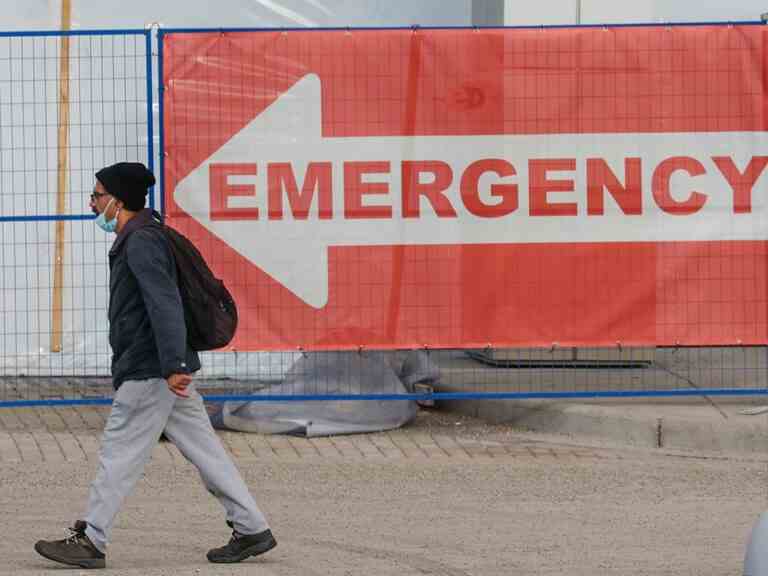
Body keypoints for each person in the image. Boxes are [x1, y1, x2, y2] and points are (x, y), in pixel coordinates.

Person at [34, 162, 275, 568]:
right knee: (205, 449)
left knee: (119, 450)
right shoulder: (143, 236)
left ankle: (91, 539)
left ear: (117, 200)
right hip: (162, 367)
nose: (92, 203)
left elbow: (165, 302)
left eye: (97, 195)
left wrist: (173, 363)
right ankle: (252, 528)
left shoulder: (142, 242)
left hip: (151, 369)